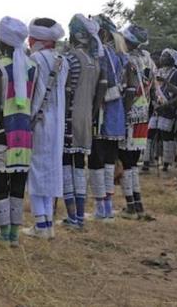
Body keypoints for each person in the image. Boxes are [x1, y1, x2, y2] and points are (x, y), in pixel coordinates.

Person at [0, 16, 36, 247]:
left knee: (0, 181)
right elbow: (34, 101)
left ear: (1, 41)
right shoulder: (32, 67)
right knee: (18, 180)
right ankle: (15, 234)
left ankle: (3, 231)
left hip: (2, 130)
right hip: (24, 132)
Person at [22, 18, 68, 239]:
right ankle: (48, 223)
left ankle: (41, 224)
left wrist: (27, 118)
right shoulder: (63, 60)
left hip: (40, 121)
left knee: (37, 170)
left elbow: (33, 94)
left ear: (36, 39)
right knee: (51, 170)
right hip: (58, 122)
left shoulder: (35, 60)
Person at [60, 14, 105, 230]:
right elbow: (99, 94)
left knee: (66, 166)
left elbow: (66, 92)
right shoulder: (94, 61)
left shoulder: (71, 59)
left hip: (70, 117)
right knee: (80, 166)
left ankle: (73, 218)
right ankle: (80, 217)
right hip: (87, 119)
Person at [90, 14, 127, 221]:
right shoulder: (121, 55)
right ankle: (107, 206)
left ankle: (100, 207)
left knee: (97, 159)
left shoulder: (102, 54)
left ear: (101, 33)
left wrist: (93, 110)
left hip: (102, 112)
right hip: (117, 113)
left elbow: (102, 84)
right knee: (109, 161)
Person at [118, 24, 155, 219]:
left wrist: (122, 114)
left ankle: (131, 206)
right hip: (143, 114)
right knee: (132, 162)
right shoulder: (147, 58)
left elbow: (129, 90)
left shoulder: (128, 60)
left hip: (130, 113)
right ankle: (137, 204)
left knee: (125, 161)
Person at [146, 48, 177, 173]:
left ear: (173, 60)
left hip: (169, 109)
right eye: (162, 55)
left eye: (166, 56)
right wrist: (154, 102)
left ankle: (167, 163)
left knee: (166, 136)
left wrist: (167, 105)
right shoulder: (157, 71)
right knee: (150, 133)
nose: (162, 58)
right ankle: (147, 160)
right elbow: (152, 89)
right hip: (157, 108)